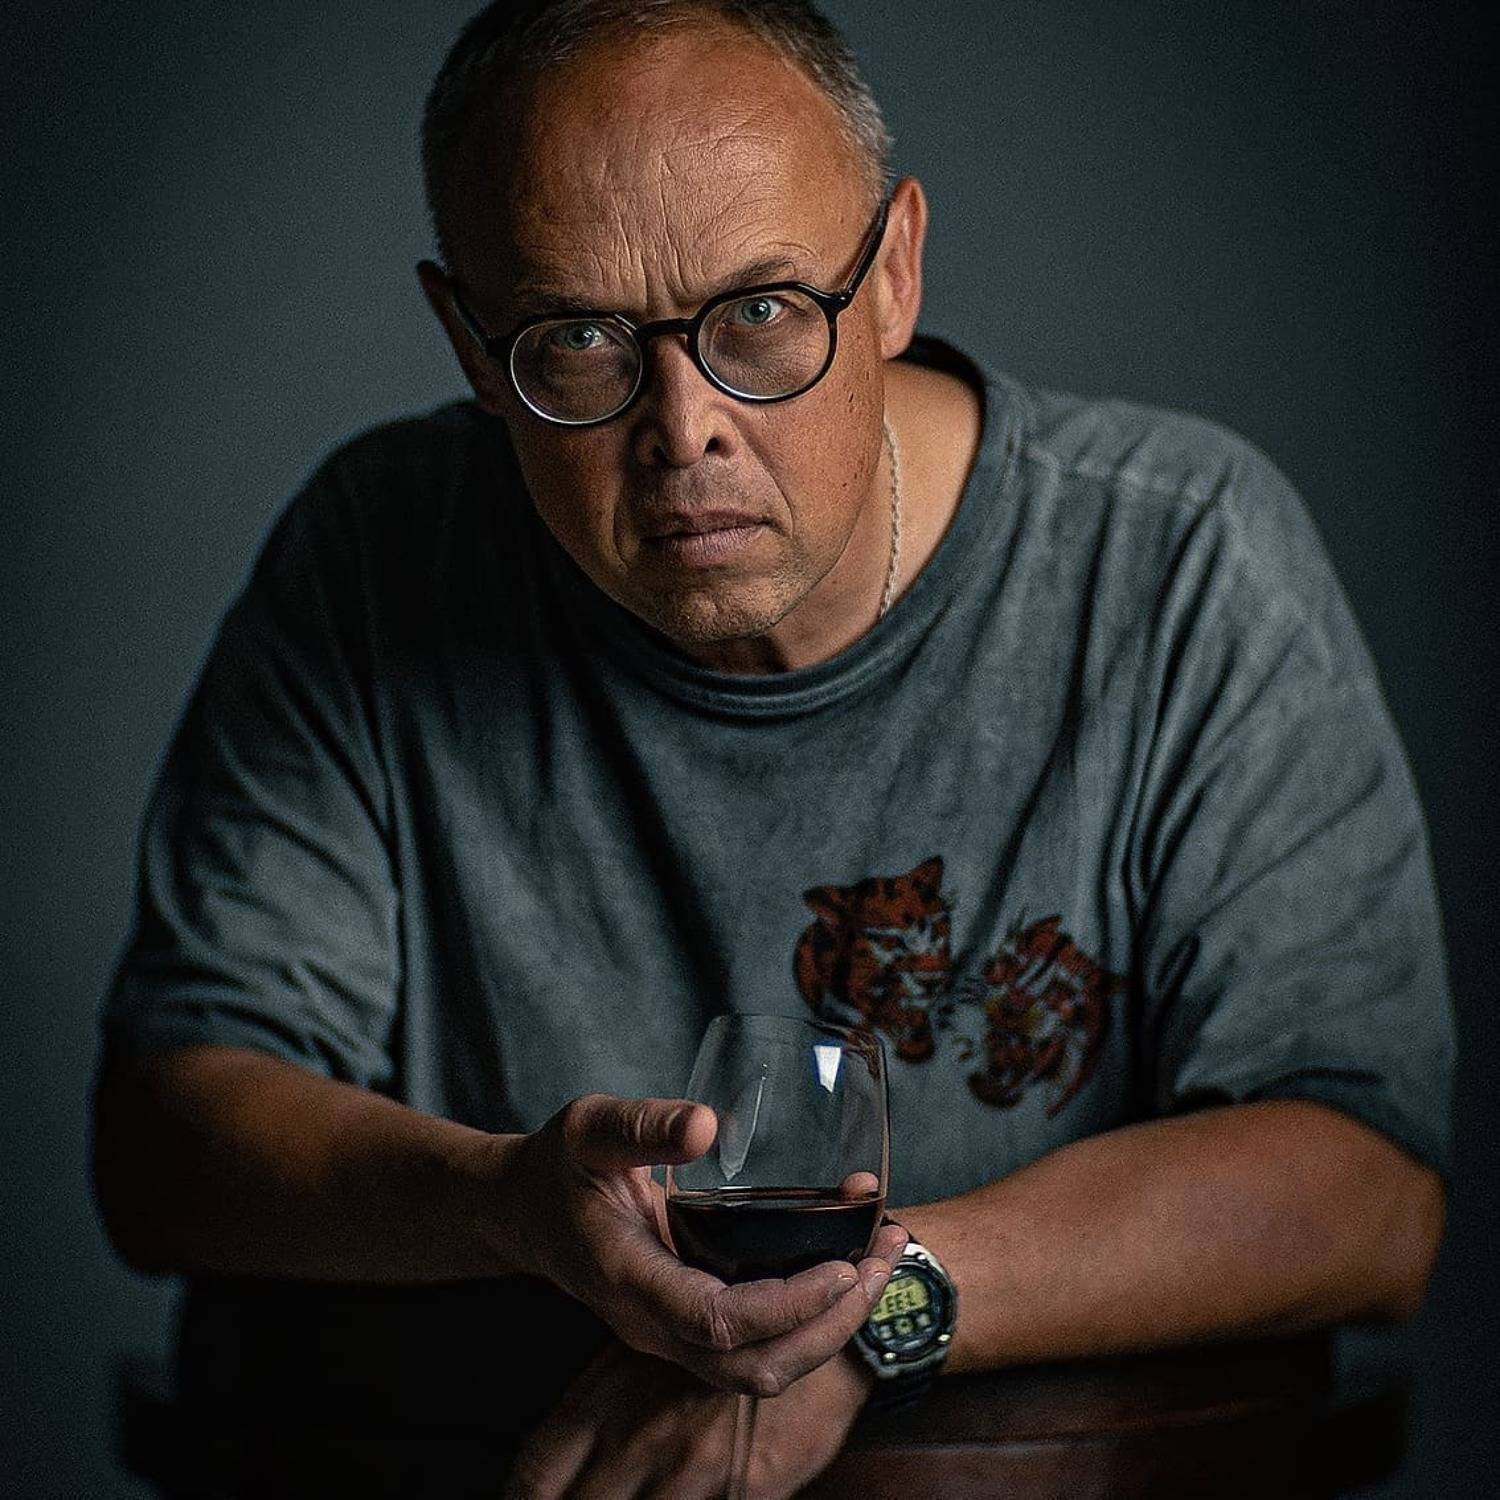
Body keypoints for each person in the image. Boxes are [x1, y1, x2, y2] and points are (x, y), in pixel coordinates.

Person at [92, 1, 1455, 1496]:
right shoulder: (378, 559)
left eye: (759, 313)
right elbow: (169, 1146)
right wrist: (510, 1203)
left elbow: (1366, 1192)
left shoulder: (1180, 558)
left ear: (895, 274)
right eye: (578, 340)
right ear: (470, 344)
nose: (684, 429)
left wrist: (872, 1316)